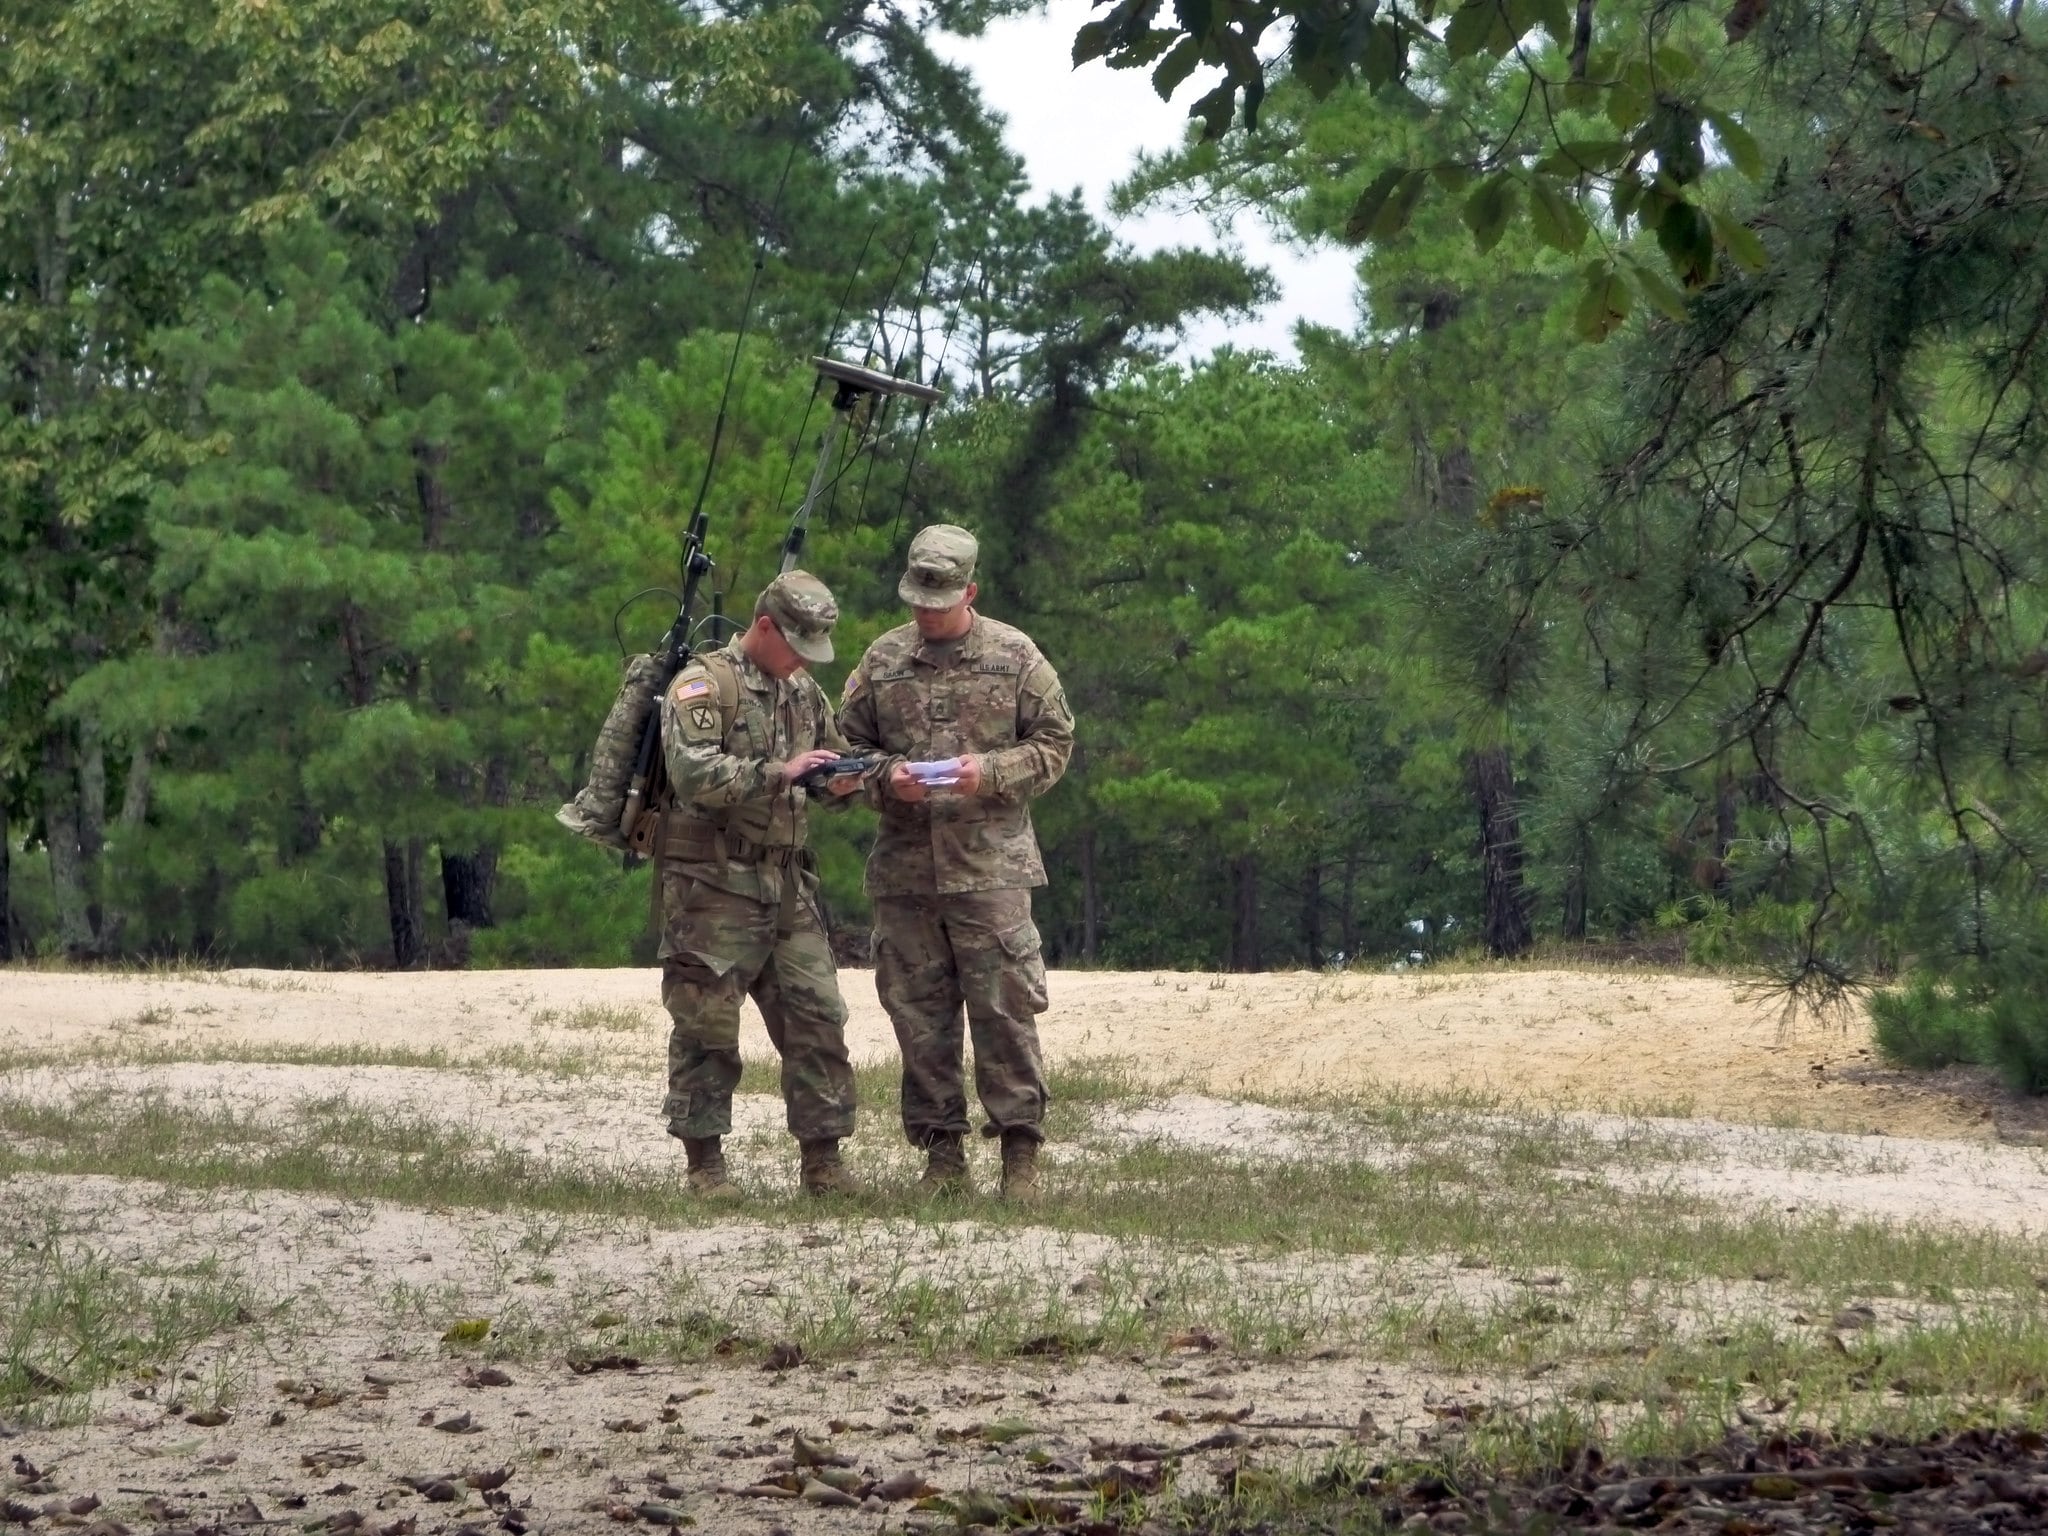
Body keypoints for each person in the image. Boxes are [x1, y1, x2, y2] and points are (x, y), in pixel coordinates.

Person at [838, 525, 1075, 1201]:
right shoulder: (882, 661)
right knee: (918, 1016)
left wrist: (989, 772)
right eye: (917, 599)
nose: (927, 613)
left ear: (970, 590)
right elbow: (843, 750)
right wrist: (888, 779)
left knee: (1004, 1012)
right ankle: (942, 1156)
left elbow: (1055, 745)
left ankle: (1020, 1154)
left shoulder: (1017, 656)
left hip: (991, 870)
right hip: (907, 873)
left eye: (940, 600)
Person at [654, 570, 866, 1199]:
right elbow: (693, 773)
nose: (805, 659)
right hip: (713, 882)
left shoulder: (803, 691)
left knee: (817, 1017)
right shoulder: (704, 684)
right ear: (766, 626)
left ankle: (824, 1163)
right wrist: (780, 772)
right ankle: (705, 1166)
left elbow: (828, 757)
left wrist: (843, 779)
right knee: (707, 1025)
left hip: (786, 881)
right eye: (796, 643)